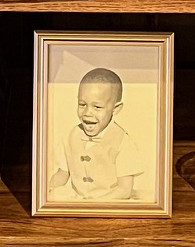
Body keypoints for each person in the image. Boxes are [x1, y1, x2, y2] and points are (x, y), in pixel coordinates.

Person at [50, 67, 146, 201]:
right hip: (78, 200)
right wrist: (47, 191)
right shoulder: (70, 136)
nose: (87, 112)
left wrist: (95, 203)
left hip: (110, 202)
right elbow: (62, 174)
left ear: (115, 109)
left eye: (97, 107)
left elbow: (124, 190)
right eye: (82, 104)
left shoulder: (123, 142)